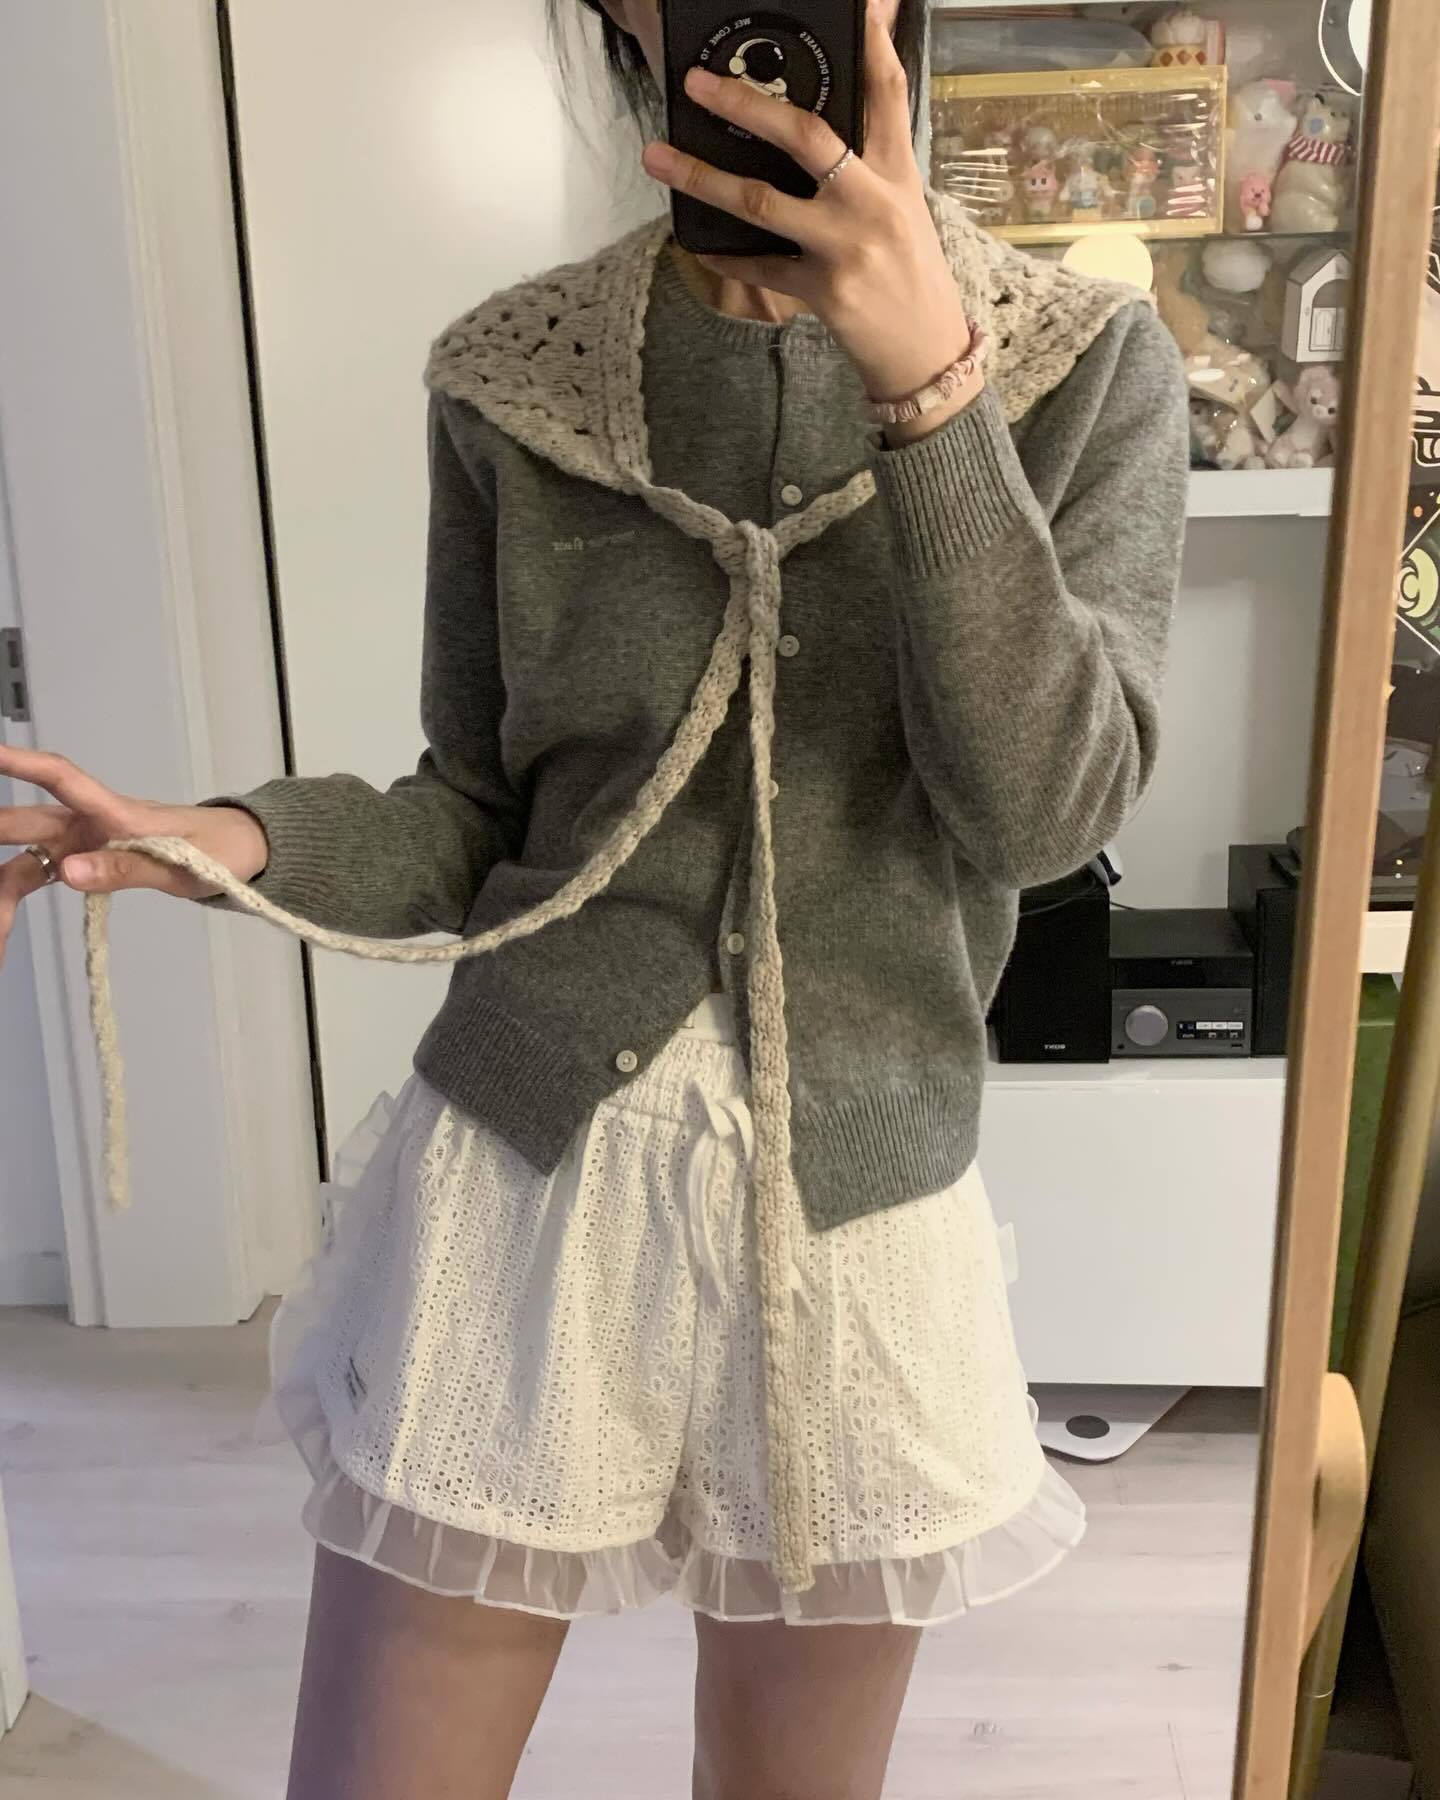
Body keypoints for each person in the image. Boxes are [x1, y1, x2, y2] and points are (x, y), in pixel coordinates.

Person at [0, 0, 1189, 1793]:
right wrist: (230, 839)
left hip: (861, 1210)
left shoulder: (1086, 364)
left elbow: (1047, 812)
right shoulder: (513, 379)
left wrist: (933, 389)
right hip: (524, 1188)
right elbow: (473, 811)